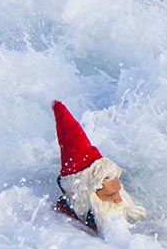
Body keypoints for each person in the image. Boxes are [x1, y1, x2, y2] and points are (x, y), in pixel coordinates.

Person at [51, 100, 146, 234]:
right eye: (110, 195)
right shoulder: (64, 225)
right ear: (85, 196)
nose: (119, 199)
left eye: (118, 191)